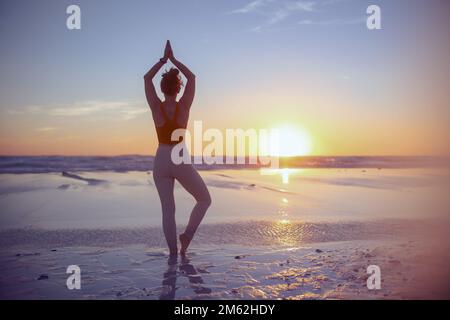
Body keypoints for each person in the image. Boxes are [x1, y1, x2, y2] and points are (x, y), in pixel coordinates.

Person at [144, 41, 211, 257]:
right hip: (179, 156)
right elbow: (192, 77)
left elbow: (146, 79)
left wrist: (162, 60)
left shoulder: (156, 106)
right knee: (204, 199)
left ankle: (173, 253)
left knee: (168, 209)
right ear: (178, 87)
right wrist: (173, 60)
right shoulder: (183, 107)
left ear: (162, 88)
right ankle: (187, 238)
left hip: (161, 156)